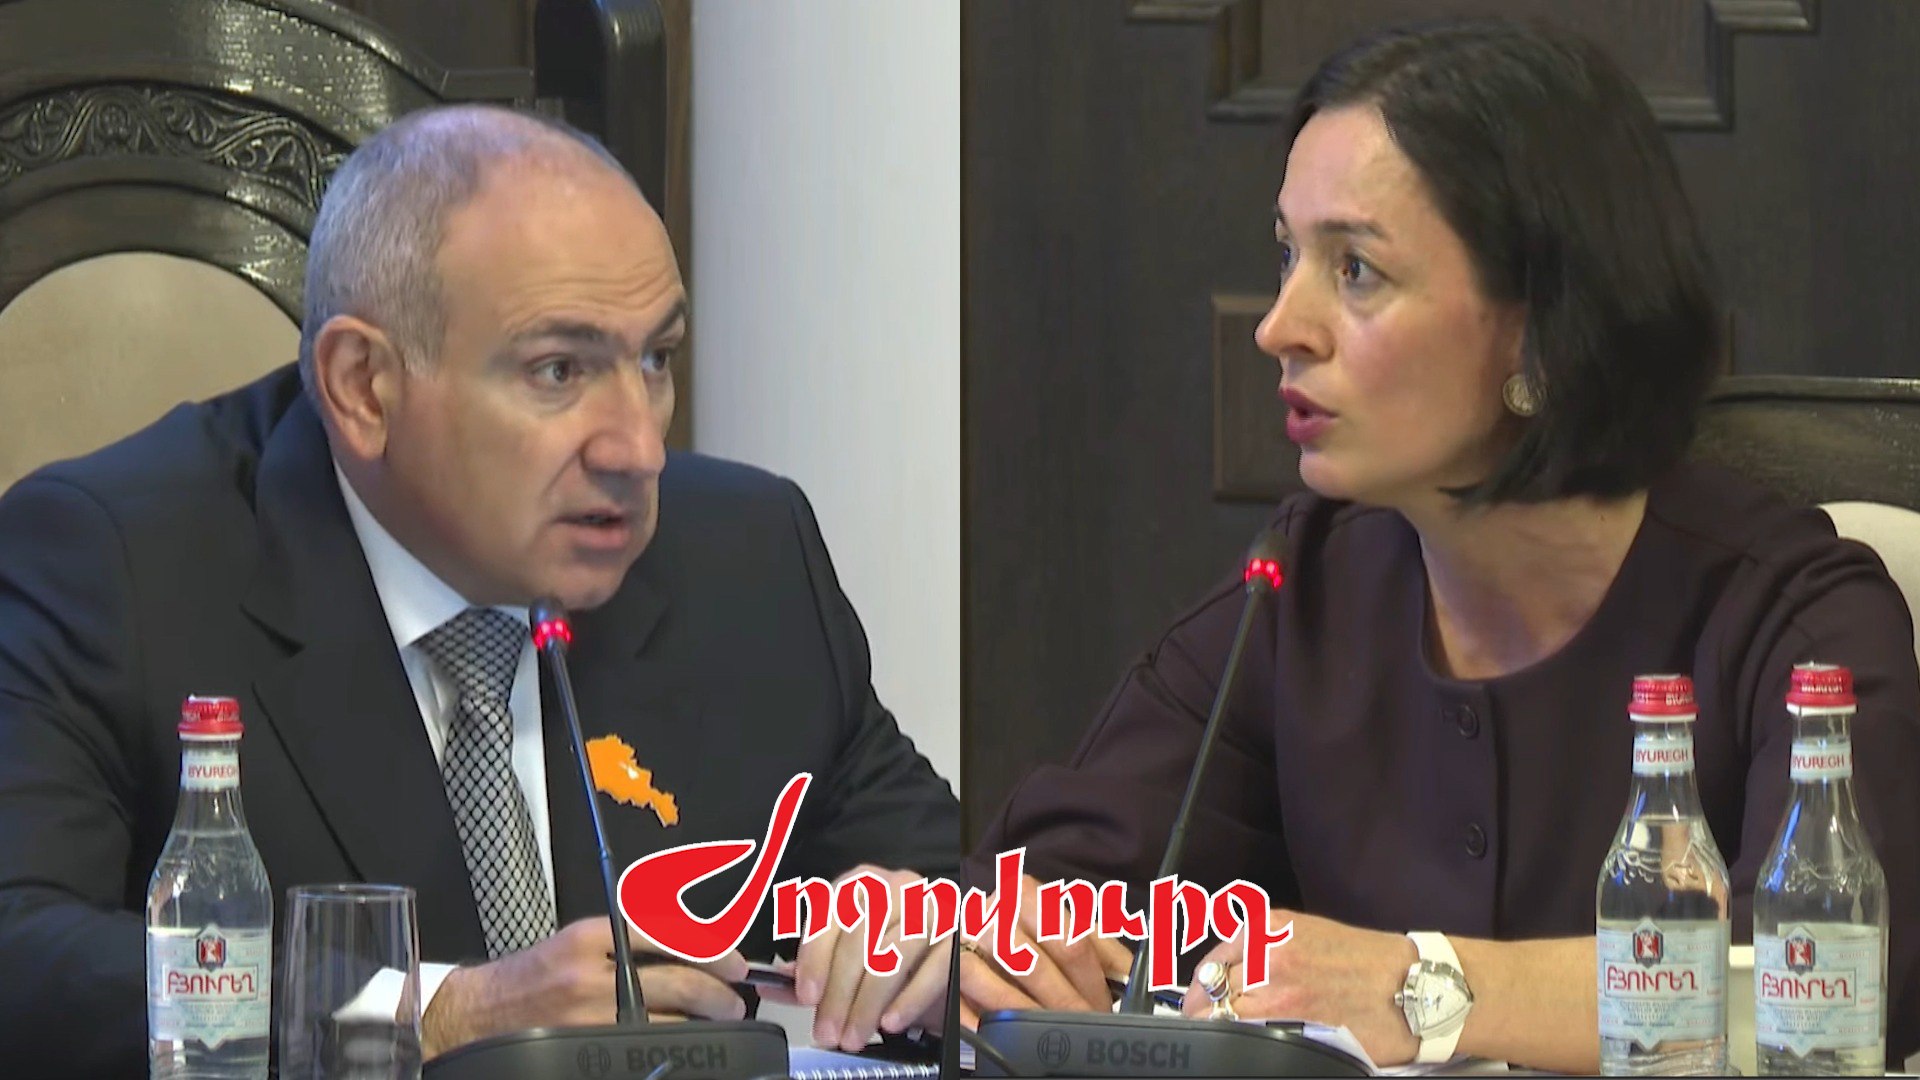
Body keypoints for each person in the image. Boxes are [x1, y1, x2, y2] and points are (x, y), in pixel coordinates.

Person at [960, 17, 1920, 1073]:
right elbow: (1067, 880)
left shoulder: (1797, 618)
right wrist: (993, 946)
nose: (1279, 326)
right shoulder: (1305, 585)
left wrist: (1421, 987)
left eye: (1355, 270)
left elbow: (1836, 982)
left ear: (1543, 328)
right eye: (1286, 255)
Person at [0, 105, 958, 1077]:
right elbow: (20, 952)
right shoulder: (116, 564)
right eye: (558, 370)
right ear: (364, 386)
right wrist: (435, 1013)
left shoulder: (743, 554)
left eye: (655, 359)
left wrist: (923, 939)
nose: (638, 448)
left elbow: (934, 882)